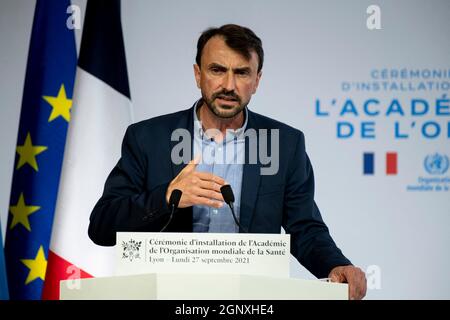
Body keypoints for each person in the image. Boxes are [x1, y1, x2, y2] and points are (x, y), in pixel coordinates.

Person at [88, 24, 367, 299]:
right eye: (217, 70)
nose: (229, 86)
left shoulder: (284, 144)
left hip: (251, 302)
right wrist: (167, 197)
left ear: (257, 80)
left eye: (242, 72)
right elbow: (102, 226)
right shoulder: (149, 138)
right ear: (198, 74)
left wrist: (336, 264)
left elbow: (305, 228)